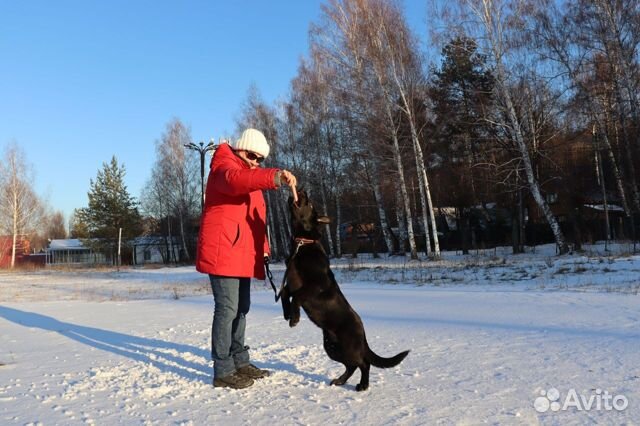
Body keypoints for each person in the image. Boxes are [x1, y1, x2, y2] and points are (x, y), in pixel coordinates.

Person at [196, 128, 297, 389]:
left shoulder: (246, 173)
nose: (255, 162)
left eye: (260, 159)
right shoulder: (224, 167)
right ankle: (223, 369)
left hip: (240, 252)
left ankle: (240, 361)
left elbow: (255, 217)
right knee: (227, 309)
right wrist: (273, 175)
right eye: (252, 155)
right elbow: (235, 181)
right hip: (223, 251)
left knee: (242, 308)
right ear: (241, 148)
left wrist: (262, 247)